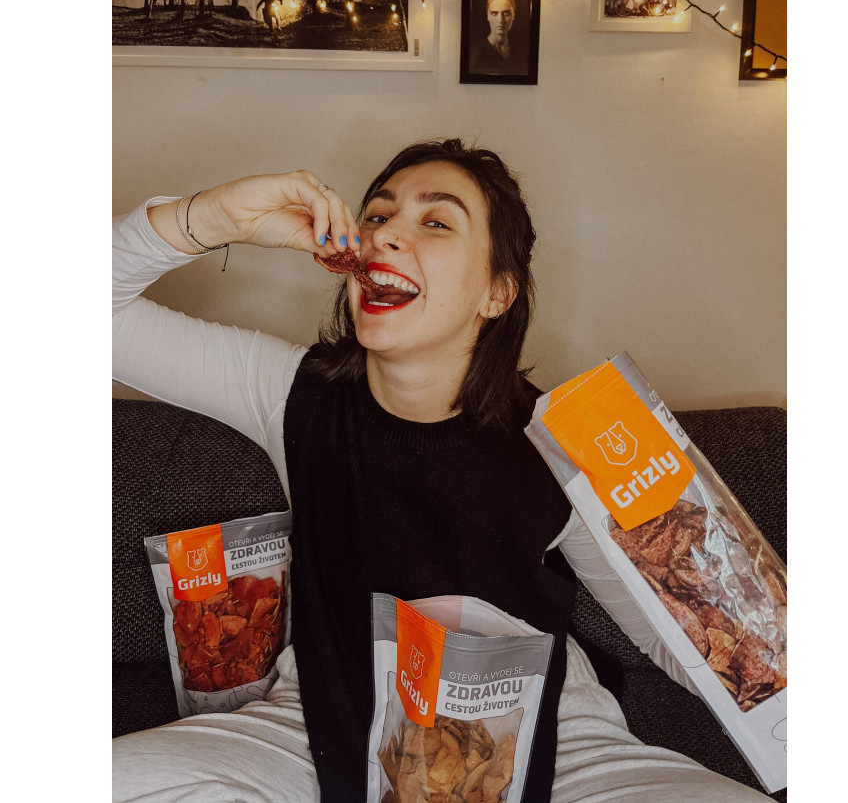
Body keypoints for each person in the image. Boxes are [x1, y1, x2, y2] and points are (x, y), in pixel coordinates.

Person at [112, 138, 769, 802]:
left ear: (497, 292)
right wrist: (215, 216)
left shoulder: (575, 441)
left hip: (546, 731)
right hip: (316, 717)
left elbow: (685, 639)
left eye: (435, 221)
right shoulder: (288, 392)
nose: (385, 234)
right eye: (376, 216)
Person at [470, 0, 529, 76]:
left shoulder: (521, 51)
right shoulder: (476, 52)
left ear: (514, 15)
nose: (500, 20)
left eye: (506, 13)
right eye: (494, 13)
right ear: (488, 16)